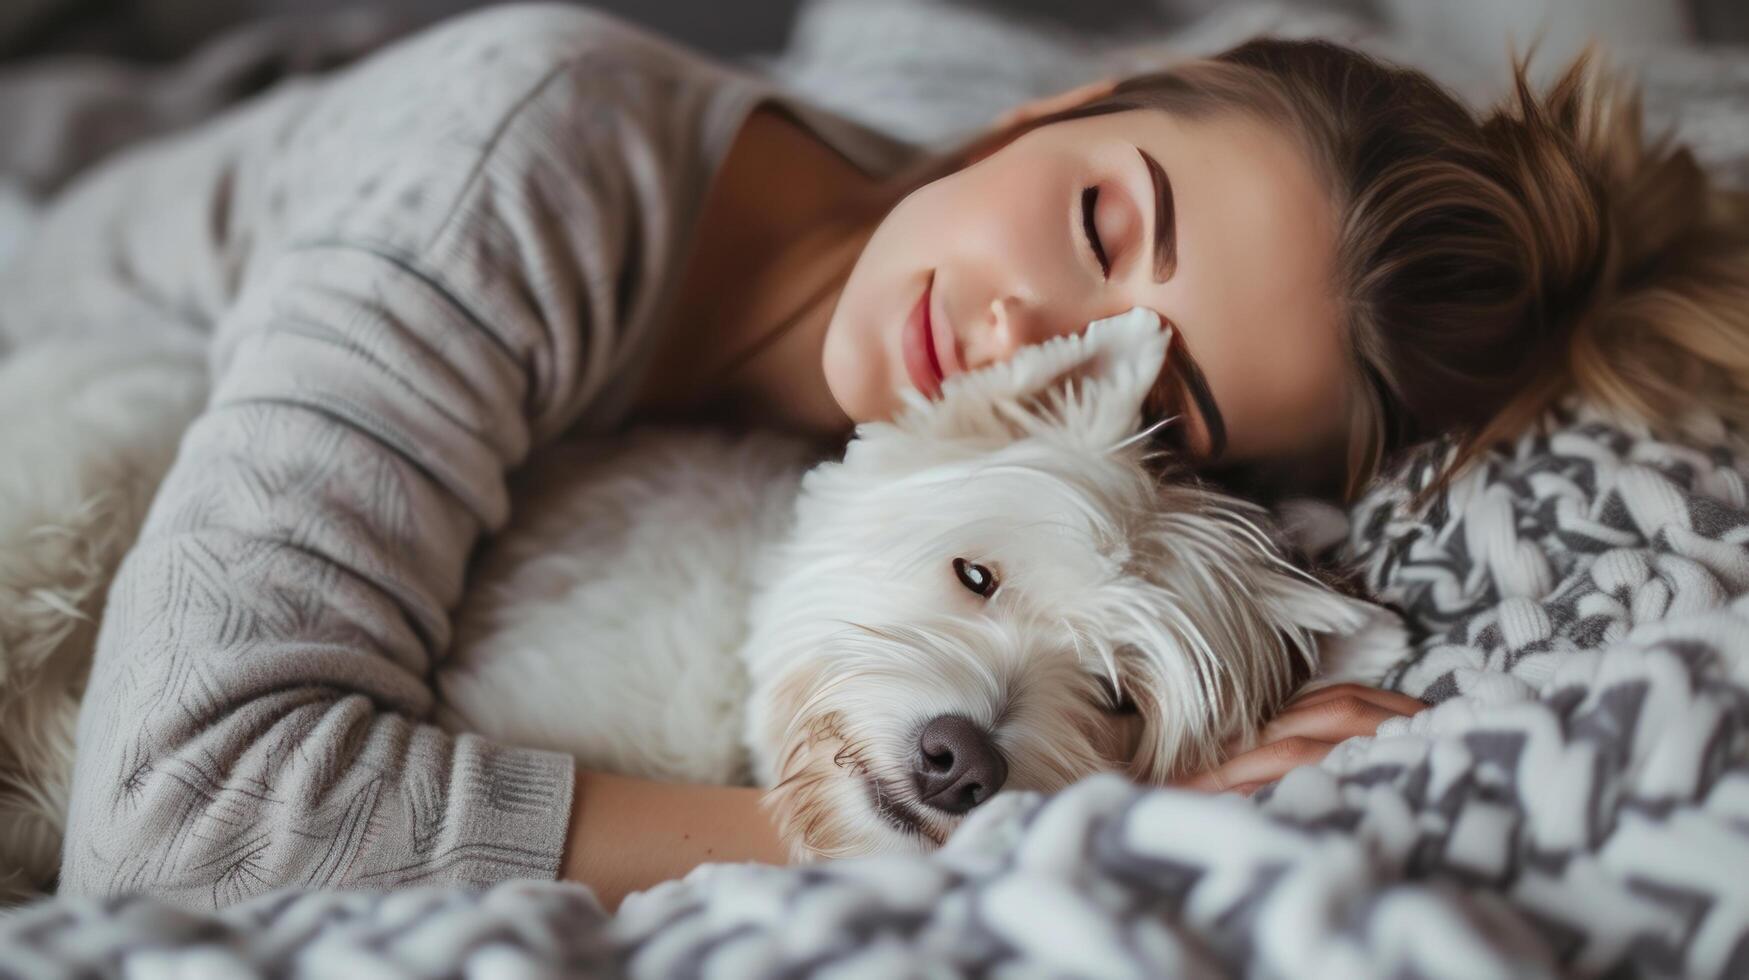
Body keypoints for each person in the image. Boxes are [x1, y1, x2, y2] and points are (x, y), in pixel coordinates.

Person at [16, 4, 1743, 912]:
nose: (1021, 341)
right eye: (1092, 217)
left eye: (1150, 390)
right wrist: (862, 839)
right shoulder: (512, 183)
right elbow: (180, 828)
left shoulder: (1002, 457)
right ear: (1051, 107)